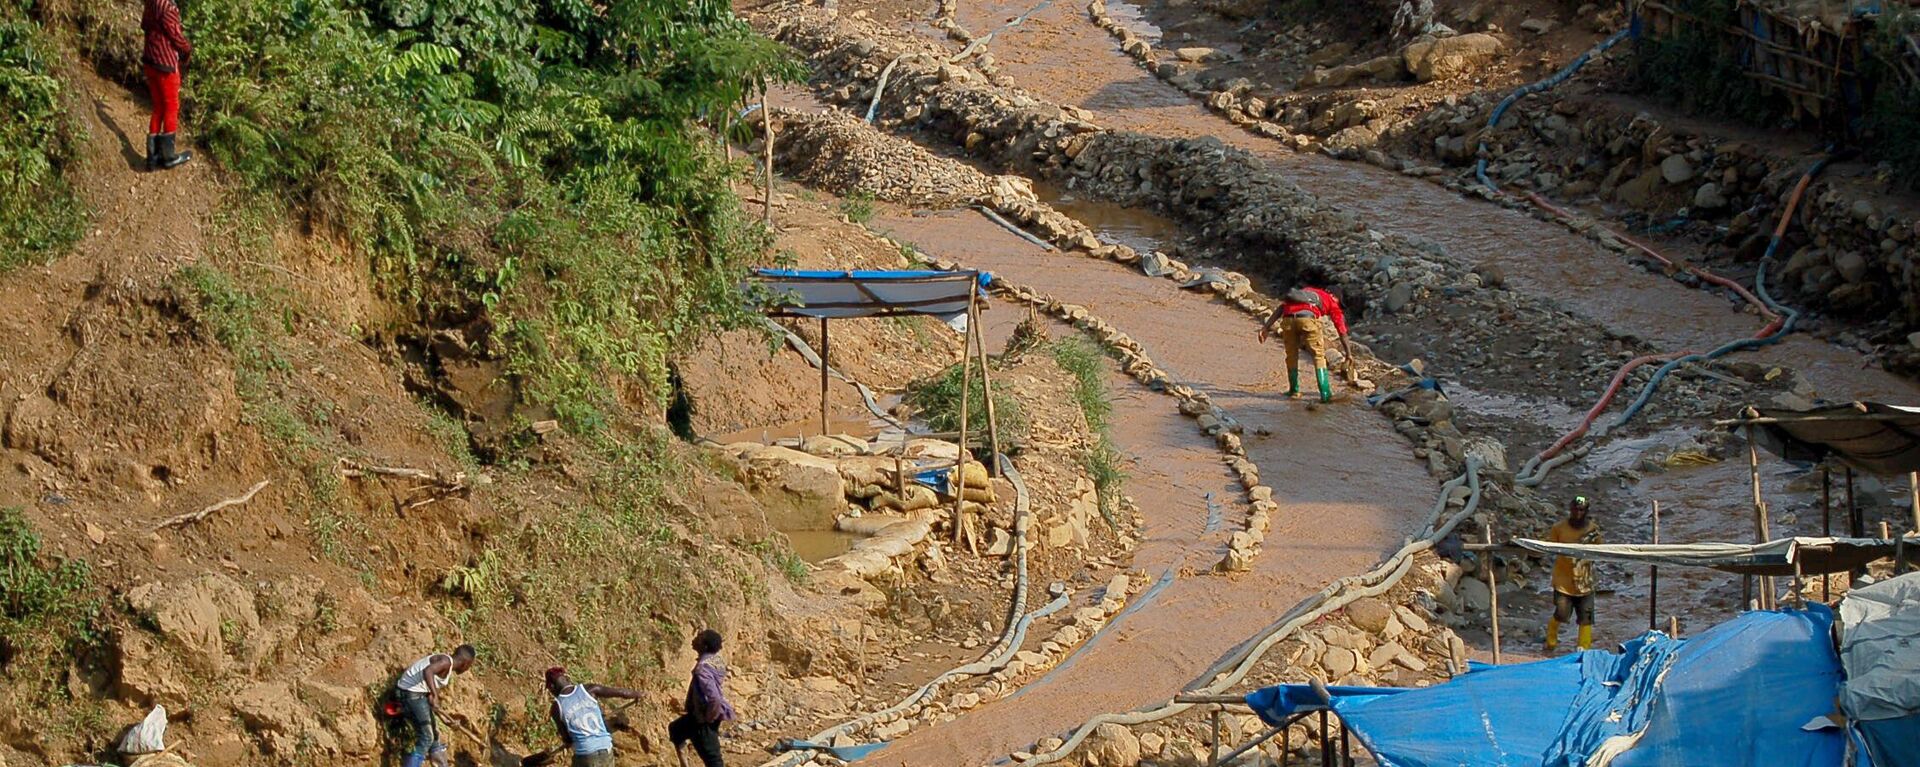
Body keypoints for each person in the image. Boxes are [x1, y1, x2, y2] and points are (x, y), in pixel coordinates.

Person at [1257, 283, 1350, 404]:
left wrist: (1266, 327)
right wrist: (1349, 354)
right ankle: (1325, 394)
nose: (1338, 304)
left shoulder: (1305, 292)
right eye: (1338, 301)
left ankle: (1294, 391)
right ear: (1333, 295)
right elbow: (1342, 331)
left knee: (1291, 355)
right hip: (1308, 319)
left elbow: (1281, 307)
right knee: (1318, 356)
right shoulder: (1330, 301)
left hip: (1288, 319)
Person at [392, 645, 477, 767]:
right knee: (427, 737)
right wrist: (434, 694)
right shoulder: (446, 661)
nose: (467, 669)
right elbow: (428, 671)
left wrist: (446, 720)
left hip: (417, 696)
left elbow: (432, 704)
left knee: (434, 737)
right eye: (469, 666)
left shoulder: (446, 666)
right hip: (409, 694)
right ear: (465, 663)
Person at [544, 667, 645, 766]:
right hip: (606, 749)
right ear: (567, 679)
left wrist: (568, 742)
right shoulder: (590, 690)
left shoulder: (557, 708)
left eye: (549, 689)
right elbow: (622, 693)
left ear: (552, 687)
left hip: (585, 755)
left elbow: (567, 738)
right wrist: (639, 694)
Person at [1544, 497, 1603, 652]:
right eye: (1575, 509)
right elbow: (1550, 548)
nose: (1578, 513)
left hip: (1585, 581)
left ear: (1586, 511)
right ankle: (1551, 640)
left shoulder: (1592, 530)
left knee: (1586, 617)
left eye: (1581, 510)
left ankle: (1584, 648)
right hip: (1563, 581)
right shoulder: (1558, 528)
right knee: (1562, 614)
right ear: (1570, 510)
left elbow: (1599, 551)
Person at [669, 630, 735, 767]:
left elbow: (714, 698)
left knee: (713, 759)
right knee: (676, 729)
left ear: (704, 647)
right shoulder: (716, 660)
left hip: (702, 718)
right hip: (702, 715)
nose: (694, 639)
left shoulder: (702, 669)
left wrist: (708, 718)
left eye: (699, 638)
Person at [141, 0, 193, 170]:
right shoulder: (168, 7)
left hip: (149, 60)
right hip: (165, 64)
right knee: (171, 106)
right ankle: (169, 157)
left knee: (158, 107)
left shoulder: (151, 2)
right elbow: (176, 37)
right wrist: (187, 51)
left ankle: (152, 157)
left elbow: (144, 25)